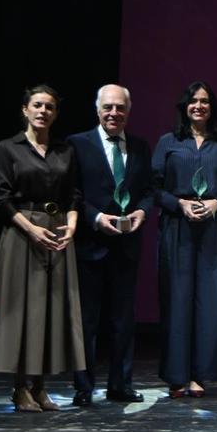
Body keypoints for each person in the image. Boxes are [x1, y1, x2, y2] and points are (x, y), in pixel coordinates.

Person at [0, 85, 85, 412]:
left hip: (57, 230)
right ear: (25, 110)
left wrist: (71, 224)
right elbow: (0, 199)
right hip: (22, 233)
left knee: (51, 311)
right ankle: (19, 389)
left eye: (50, 107)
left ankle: (41, 387)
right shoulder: (8, 148)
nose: (43, 111)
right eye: (38, 105)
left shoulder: (64, 150)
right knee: (22, 312)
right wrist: (32, 230)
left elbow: (74, 194)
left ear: (56, 114)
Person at [67, 84, 153, 406]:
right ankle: (83, 386)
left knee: (123, 321)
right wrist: (94, 217)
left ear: (128, 111)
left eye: (120, 108)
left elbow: (148, 190)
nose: (114, 113)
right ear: (97, 109)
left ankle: (121, 384)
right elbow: (72, 192)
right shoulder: (77, 144)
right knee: (86, 321)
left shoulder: (141, 147)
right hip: (90, 244)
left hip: (126, 246)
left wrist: (142, 212)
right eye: (108, 107)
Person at [152, 81, 217, 398]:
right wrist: (179, 204)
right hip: (177, 228)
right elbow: (154, 188)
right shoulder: (168, 142)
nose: (199, 106)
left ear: (212, 107)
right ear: (184, 106)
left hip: (212, 230)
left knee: (210, 303)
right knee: (176, 300)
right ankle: (176, 376)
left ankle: (201, 374)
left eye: (204, 101)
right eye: (193, 101)